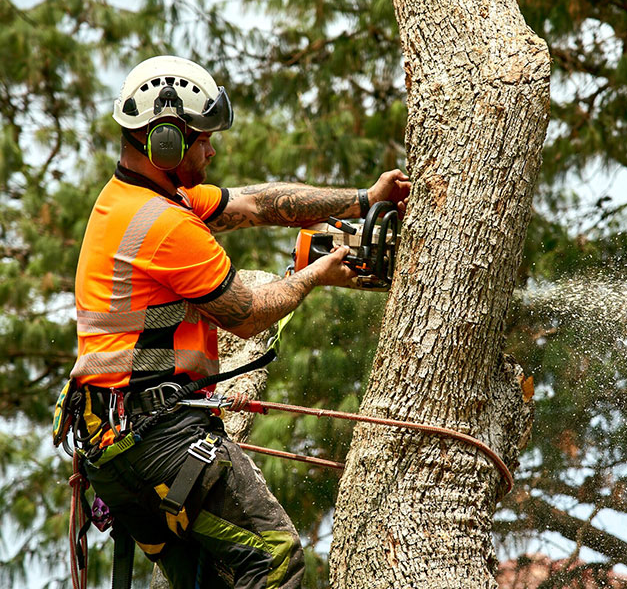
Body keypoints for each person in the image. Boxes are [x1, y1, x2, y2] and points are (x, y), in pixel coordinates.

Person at [67, 55, 410, 589]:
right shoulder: (165, 226)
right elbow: (247, 316)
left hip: (113, 449)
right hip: (161, 437)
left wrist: (364, 199)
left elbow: (261, 202)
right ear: (165, 143)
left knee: (213, 580)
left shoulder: (132, 200)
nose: (211, 148)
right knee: (273, 559)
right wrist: (315, 275)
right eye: (201, 139)